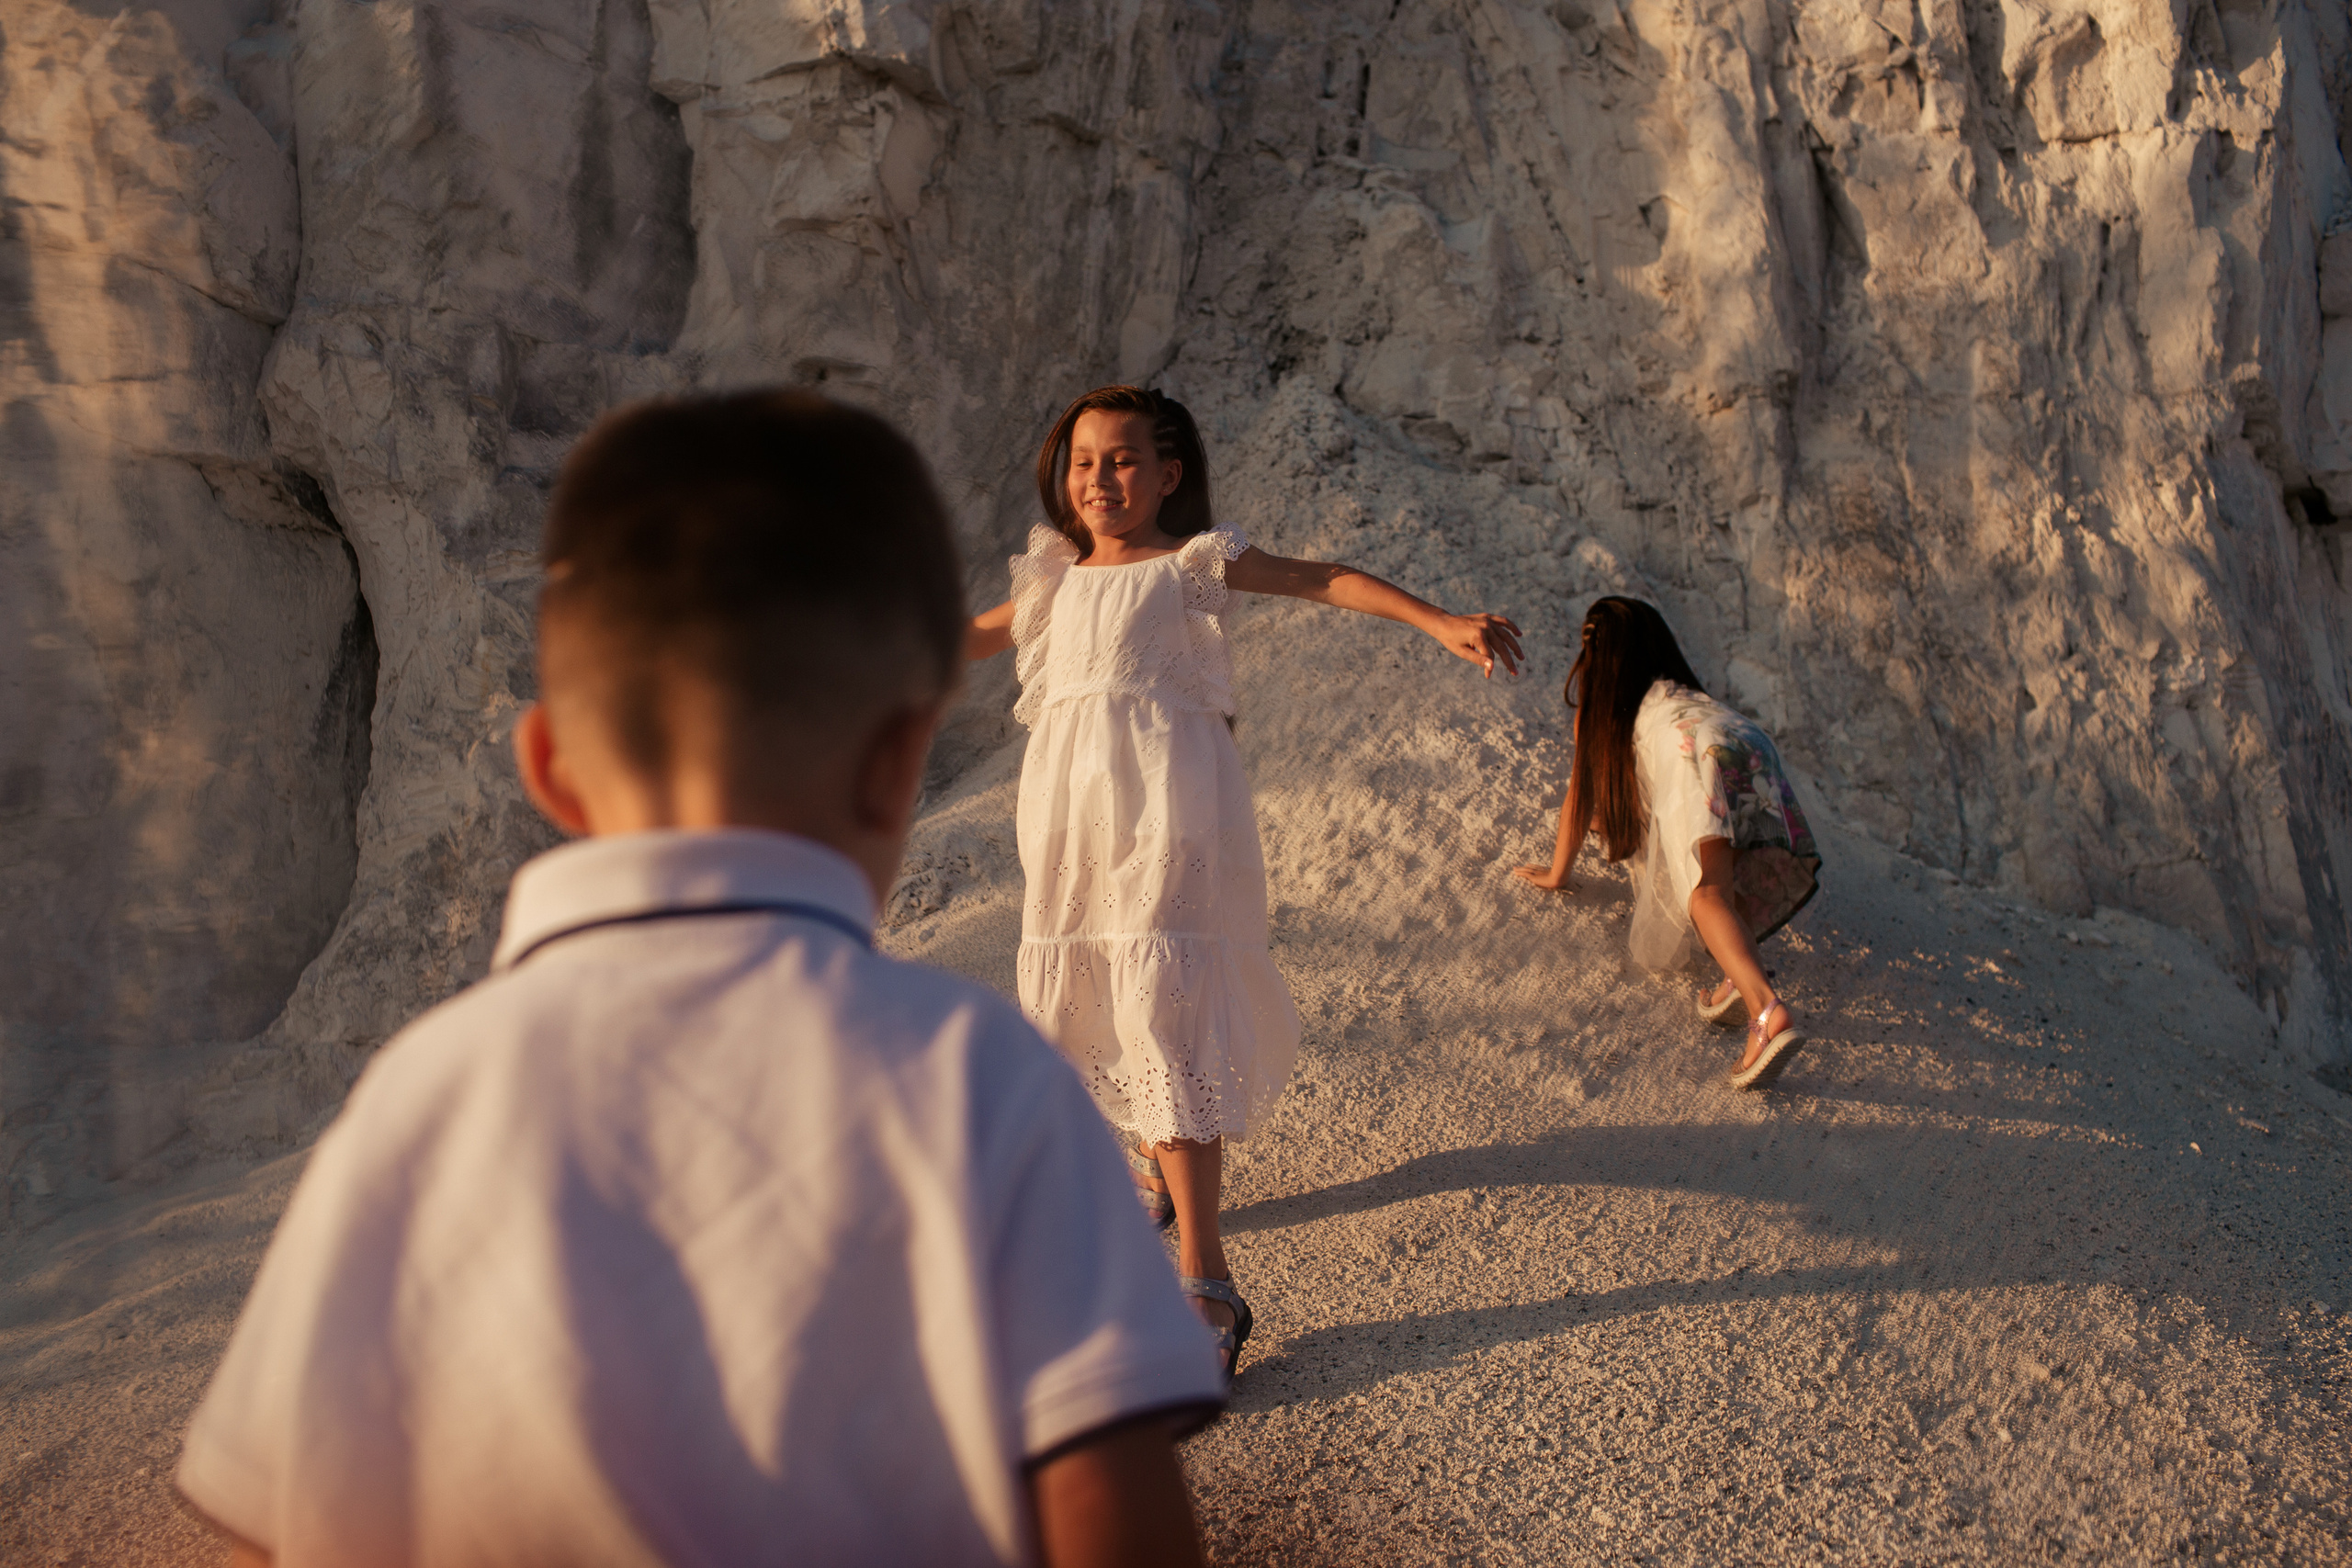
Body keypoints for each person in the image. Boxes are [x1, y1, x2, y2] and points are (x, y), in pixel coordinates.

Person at [175, 390, 1226, 1568]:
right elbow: (1115, 1529)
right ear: (898, 763)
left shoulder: (420, 1091)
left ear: (552, 773)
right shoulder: (986, 1078)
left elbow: (282, 1517)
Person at [966, 384, 1524, 1379]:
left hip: (1169, 814)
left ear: (1168, 476)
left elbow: (1326, 580)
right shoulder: (1052, 580)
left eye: (1125, 460)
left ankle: (1203, 1274)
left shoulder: (1188, 567)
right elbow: (951, 641)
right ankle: (1151, 1161)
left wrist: (1434, 619)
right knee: (1093, 996)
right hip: (1067, 825)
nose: (1101, 478)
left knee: (1163, 1002)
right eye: (1085, 461)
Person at [1512, 595, 1822, 1089]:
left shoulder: (1607, 705)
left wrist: (1557, 874)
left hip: (1694, 752)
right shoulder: (1678, 689)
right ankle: (1734, 976)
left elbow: (1581, 791)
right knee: (1725, 870)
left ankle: (1766, 1012)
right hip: (1745, 738)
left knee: (1705, 894)